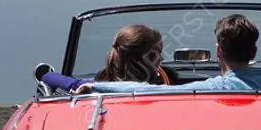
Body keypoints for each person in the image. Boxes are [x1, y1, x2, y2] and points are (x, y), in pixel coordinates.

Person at [77, 14, 261, 94]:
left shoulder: (212, 88)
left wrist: (95, 86)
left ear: (218, 52)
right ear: (254, 51)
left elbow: (145, 91)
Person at [39, 24, 167, 92]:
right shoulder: (163, 91)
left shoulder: (94, 87)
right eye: (157, 53)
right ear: (144, 58)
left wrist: (44, 74)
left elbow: (49, 77)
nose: (161, 58)